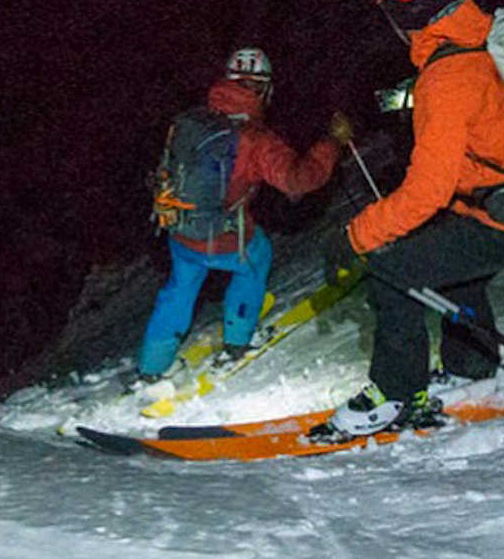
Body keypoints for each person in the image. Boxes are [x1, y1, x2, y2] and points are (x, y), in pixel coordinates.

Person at [318, 0, 504, 437]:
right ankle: (471, 367)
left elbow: (427, 190)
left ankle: (395, 395)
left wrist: (354, 237)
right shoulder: (484, 35)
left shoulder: (446, 75)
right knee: (449, 258)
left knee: (390, 269)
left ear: (394, 8)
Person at [136, 46, 353, 382]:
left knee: (180, 288)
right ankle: (238, 342)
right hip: (223, 237)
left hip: (181, 229)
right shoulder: (256, 140)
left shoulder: (190, 121)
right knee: (255, 260)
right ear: (264, 88)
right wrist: (332, 145)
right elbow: (298, 179)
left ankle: (151, 366)